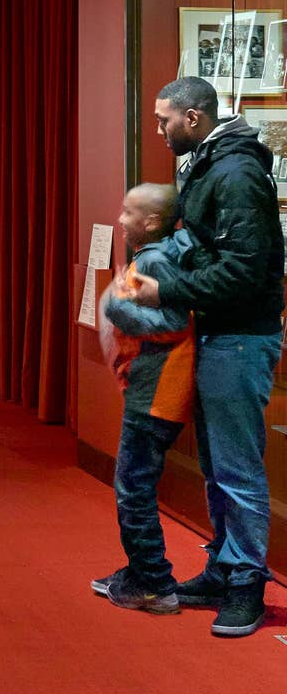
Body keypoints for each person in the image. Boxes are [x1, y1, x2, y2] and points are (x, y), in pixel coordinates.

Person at [128, 76, 283, 637]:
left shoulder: (235, 173)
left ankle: (245, 584)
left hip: (241, 337)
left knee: (237, 470)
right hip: (221, 334)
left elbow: (243, 272)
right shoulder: (213, 163)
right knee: (220, 468)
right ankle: (224, 569)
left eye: (164, 118)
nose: (159, 128)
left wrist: (164, 290)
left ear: (192, 118)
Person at [91, 184, 196, 614]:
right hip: (152, 387)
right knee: (134, 484)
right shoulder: (160, 253)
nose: (119, 219)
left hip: (157, 391)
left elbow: (171, 323)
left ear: (151, 222)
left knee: (133, 487)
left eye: (127, 212)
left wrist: (116, 307)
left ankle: (153, 583)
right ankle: (140, 573)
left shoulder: (156, 258)